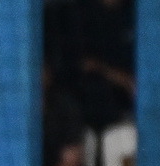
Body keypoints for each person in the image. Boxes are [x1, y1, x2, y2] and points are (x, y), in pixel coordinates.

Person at [53, 0, 135, 130]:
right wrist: (117, 77)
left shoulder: (136, 12)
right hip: (95, 106)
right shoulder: (78, 14)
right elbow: (83, 63)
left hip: (135, 103)